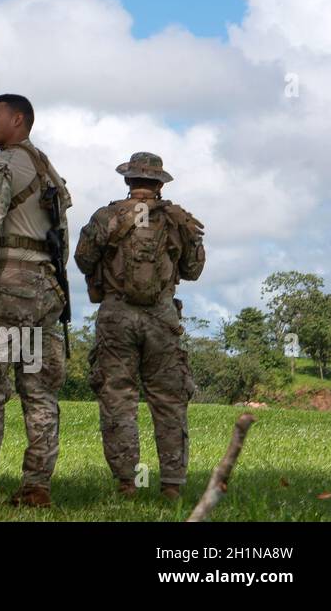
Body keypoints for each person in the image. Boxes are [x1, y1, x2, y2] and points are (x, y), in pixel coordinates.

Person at [0, 95, 72, 507]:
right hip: (46, 288)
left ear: (18, 120)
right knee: (40, 392)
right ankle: (37, 486)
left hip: (7, 284)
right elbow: (63, 237)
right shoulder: (49, 170)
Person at [74, 152, 205, 501]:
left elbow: (83, 258)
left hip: (116, 314)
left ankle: (127, 483)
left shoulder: (106, 216)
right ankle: (172, 486)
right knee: (169, 400)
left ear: (129, 181)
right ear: (160, 184)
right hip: (162, 316)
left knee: (118, 398)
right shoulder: (180, 220)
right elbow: (193, 270)